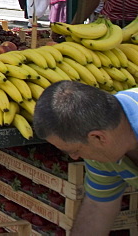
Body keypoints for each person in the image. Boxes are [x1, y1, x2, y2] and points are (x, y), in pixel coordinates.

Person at [34, 81, 138, 234]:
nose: (75, 157)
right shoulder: (105, 140)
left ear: (98, 137)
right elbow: (98, 209)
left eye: (74, 150)